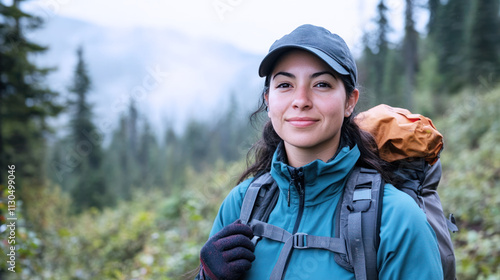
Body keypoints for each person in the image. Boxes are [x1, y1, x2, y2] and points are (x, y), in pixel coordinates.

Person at [197, 24, 443, 280]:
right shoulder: (241, 204)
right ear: (268, 101)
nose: (301, 99)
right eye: (284, 85)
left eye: (322, 84)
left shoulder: (396, 219)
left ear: (350, 101)